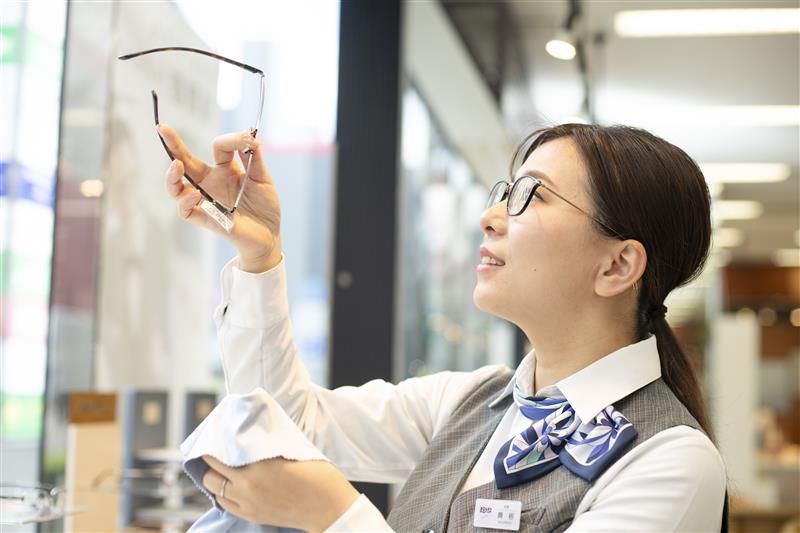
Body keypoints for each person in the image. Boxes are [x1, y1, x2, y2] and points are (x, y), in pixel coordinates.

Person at [160, 122, 728, 532]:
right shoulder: (472, 401)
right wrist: (260, 257)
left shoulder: (670, 462)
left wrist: (335, 515)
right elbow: (284, 425)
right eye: (505, 191)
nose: (490, 216)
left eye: (532, 195)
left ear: (617, 266)